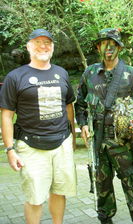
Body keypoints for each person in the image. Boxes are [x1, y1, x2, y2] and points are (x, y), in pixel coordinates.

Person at [75, 28, 133, 224]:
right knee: (101, 188)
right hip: (98, 143)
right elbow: (80, 105)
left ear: (119, 47)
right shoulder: (90, 74)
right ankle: (105, 219)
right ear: (98, 47)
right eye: (104, 44)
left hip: (124, 144)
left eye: (112, 44)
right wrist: (83, 125)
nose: (108, 48)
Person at [0, 29, 77, 224]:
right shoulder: (15, 76)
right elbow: (7, 115)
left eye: (47, 43)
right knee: (35, 198)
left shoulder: (62, 73)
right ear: (28, 47)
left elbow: (68, 106)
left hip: (62, 144)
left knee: (60, 192)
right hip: (31, 146)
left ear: (53, 47)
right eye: (37, 42)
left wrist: (72, 140)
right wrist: (10, 149)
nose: (43, 46)